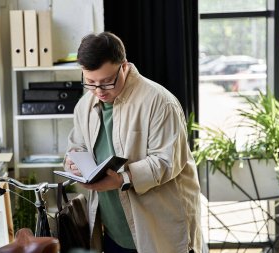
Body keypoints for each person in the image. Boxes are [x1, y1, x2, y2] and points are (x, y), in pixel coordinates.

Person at [64, 31, 202, 253]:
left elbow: (166, 162)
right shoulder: (84, 105)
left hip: (158, 231)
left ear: (124, 66)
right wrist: (73, 163)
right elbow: (76, 146)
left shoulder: (159, 102)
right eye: (90, 82)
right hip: (112, 231)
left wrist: (121, 179)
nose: (98, 91)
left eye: (107, 82)